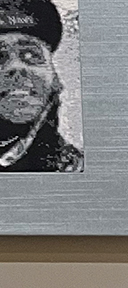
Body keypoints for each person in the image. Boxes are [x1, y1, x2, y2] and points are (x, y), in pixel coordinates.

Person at [0, 0, 79, 172]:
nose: (16, 67)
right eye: (0, 57)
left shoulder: (75, 169)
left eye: (31, 55)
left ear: (55, 80)